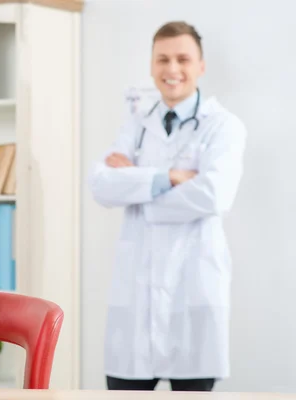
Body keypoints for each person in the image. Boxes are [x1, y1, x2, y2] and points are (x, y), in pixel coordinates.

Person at [90, 21, 247, 392]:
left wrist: (139, 183)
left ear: (201, 66)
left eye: (182, 59)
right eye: (162, 59)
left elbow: (214, 195)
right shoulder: (137, 124)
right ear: (151, 65)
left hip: (193, 290)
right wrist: (171, 176)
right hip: (135, 299)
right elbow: (101, 185)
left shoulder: (223, 126)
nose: (171, 69)